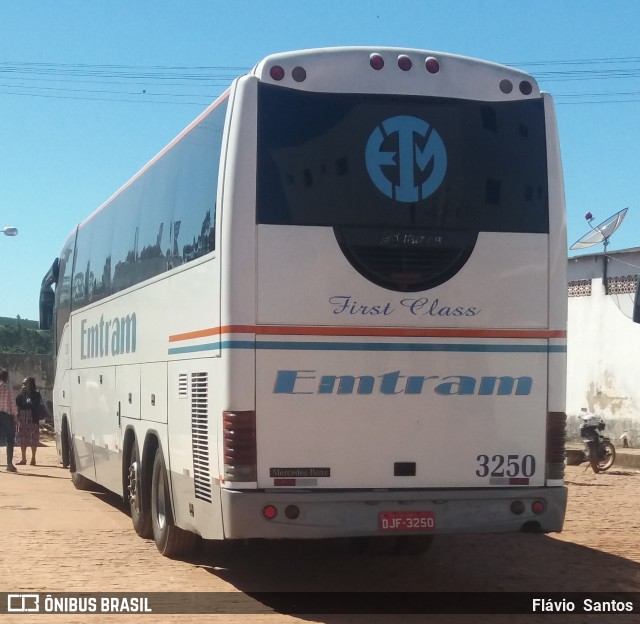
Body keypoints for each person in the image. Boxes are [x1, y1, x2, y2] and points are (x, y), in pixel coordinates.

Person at [15, 377, 43, 466]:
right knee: (23, 438)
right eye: (23, 383)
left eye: (25, 383)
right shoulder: (21, 394)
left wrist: (29, 394)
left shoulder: (36, 394)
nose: (23, 385)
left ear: (31, 384)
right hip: (23, 417)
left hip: (33, 417)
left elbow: (35, 404)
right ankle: (23, 459)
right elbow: (17, 403)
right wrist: (21, 393)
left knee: (33, 438)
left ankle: (33, 458)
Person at [0, 368, 17, 472]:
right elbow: (12, 403)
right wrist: (15, 415)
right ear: (6, 377)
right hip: (6, 415)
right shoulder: (8, 387)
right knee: (10, 439)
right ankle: (9, 464)